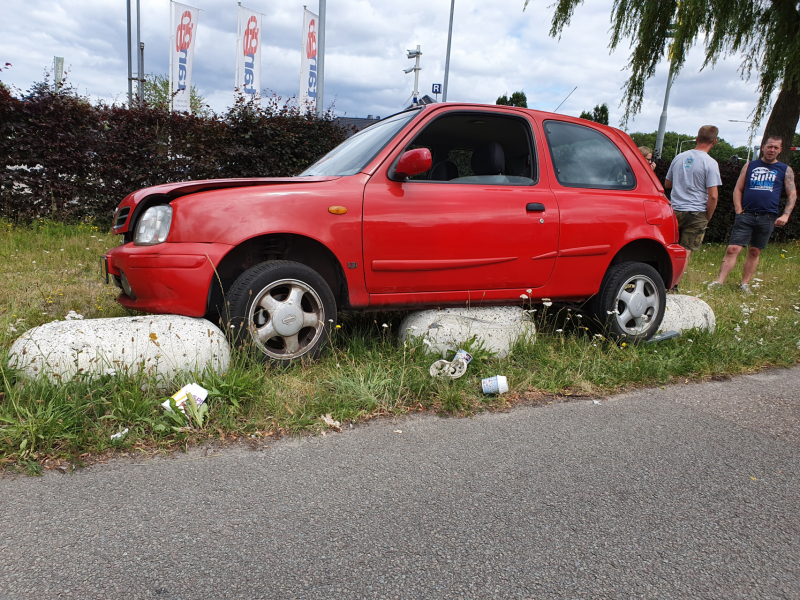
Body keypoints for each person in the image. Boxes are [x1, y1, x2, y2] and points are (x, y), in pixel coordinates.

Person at [710, 135, 796, 293]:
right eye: (769, 146)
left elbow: (792, 194)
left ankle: (744, 284)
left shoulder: (785, 169)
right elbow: (738, 189)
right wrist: (738, 210)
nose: (772, 150)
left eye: (776, 148)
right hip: (747, 214)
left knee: (755, 251)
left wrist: (785, 215)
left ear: (780, 150)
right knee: (733, 248)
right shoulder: (750, 165)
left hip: (768, 216)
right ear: (763, 147)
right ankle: (719, 282)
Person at [664, 125, 722, 289]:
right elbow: (713, 196)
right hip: (696, 211)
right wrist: (708, 216)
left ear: (697, 139)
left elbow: (667, 183)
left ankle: (661, 280)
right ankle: (673, 286)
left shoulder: (679, 157)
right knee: (686, 251)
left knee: (670, 248)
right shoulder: (710, 163)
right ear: (714, 142)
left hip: (674, 210)